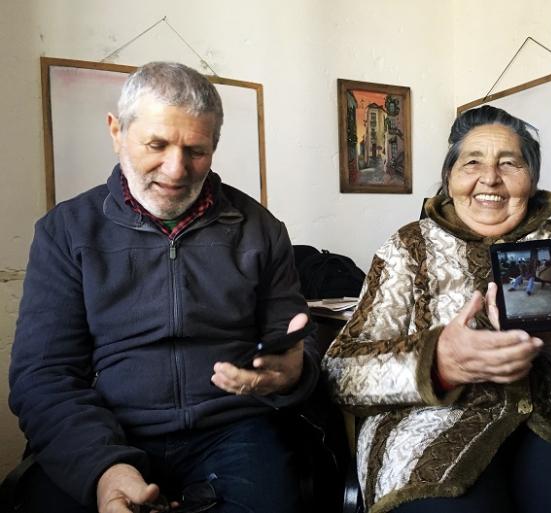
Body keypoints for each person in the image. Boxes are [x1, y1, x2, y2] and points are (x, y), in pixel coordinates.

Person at [322, 105, 551, 513]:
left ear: (531, 180)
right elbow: (340, 373)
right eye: (472, 162)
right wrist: (439, 363)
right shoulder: (407, 249)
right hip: (430, 433)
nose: (490, 178)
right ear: (449, 178)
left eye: (509, 163)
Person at [9, 62, 320, 513]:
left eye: (196, 150)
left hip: (234, 431)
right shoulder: (66, 231)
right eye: (156, 145)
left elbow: (297, 341)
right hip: (105, 428)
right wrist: (107, 471)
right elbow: (43, 376)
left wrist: (294, 372)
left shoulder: (261, 229)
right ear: (117, 132)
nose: (176, 171)